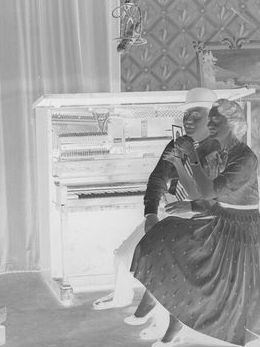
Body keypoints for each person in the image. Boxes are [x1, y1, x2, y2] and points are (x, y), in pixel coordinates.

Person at [129, 98, 260, 347]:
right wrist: (179, 164)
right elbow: (198, 193)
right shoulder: (221, 152)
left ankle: (174, 323)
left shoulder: (244, 157)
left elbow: (209, 192)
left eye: (215, 120)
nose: (210, 125)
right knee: (163, 237)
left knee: (184, 255)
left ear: (232, 124)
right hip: (220, 219)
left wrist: (192, 158)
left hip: (241, 230)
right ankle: (170, 318)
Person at [92, 87, 219, 312]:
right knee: (123, 256)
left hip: (202, 218)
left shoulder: (219, 150)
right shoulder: (176, 144)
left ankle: (160, 308)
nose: (188, 120)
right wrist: (151, 214)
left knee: (165, 261)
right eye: (186, 114)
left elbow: (214, 197)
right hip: (171, 210)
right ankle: (121, 297)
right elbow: (157, 179)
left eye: (196, 114)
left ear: (211, 118)